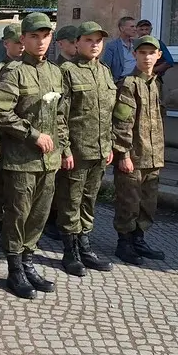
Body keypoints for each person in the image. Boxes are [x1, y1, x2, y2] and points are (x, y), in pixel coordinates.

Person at [0, 12, 68, 299]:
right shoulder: (14, 72)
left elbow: (60, 114)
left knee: (38, 215)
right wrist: (33, 134)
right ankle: (15, 269)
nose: (41, 42)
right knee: (18, 214)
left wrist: (62, 147)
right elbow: (2, 112)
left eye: (45, 36)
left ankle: (28, 262)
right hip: (20, 159)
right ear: (23, 39)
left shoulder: (55, 72)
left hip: (49, 161)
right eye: (34, 36)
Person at [55, 22, 116, 276]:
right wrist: (65, 149)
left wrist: (110, 143)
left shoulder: (104, 71)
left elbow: (109, 113)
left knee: (89, 201)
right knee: (71, 201)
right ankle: (70, 252)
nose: (94, 45)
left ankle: (85, 246)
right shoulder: (67, 71)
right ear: (77, 43)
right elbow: (59, 115)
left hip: (100, 150)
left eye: (98, 41)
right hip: (77, 151)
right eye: (89, 40)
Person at [112, 36, 167, 265]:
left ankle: (139, 239)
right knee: (129, 202)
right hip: (133, 156)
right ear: (134, 55)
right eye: (142, 52)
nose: (147, 57)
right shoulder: (129, 84)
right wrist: (123, 154)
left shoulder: (156, 83)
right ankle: (124, 243)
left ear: (158, 56)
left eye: (151, 52)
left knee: (148, 203)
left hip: (153, 155)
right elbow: (122, 123)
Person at [44, 24, 79, 240]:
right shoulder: (56, 69)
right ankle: (51, 219)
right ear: (60, 44)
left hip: (78, 135)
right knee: (58, 184)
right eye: (72, 41)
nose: (76, 45)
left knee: (70, 186)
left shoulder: (79, 68)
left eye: (78, 41)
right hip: (58, 136)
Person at [0, 24, 23, 237]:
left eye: (23, 42)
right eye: (17, 43)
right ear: (6, 44)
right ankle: (0, 224)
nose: (21, 47)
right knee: (1, 188)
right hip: (3, 139)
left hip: (23, 143)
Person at [101, 16, 138, 82]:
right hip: (120, 82)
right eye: (132, 26)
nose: (135, 29)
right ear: (122, 28)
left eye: (135, 26)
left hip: (137, 80)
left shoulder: (137, 44)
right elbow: (106, 67)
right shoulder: (112, 46)